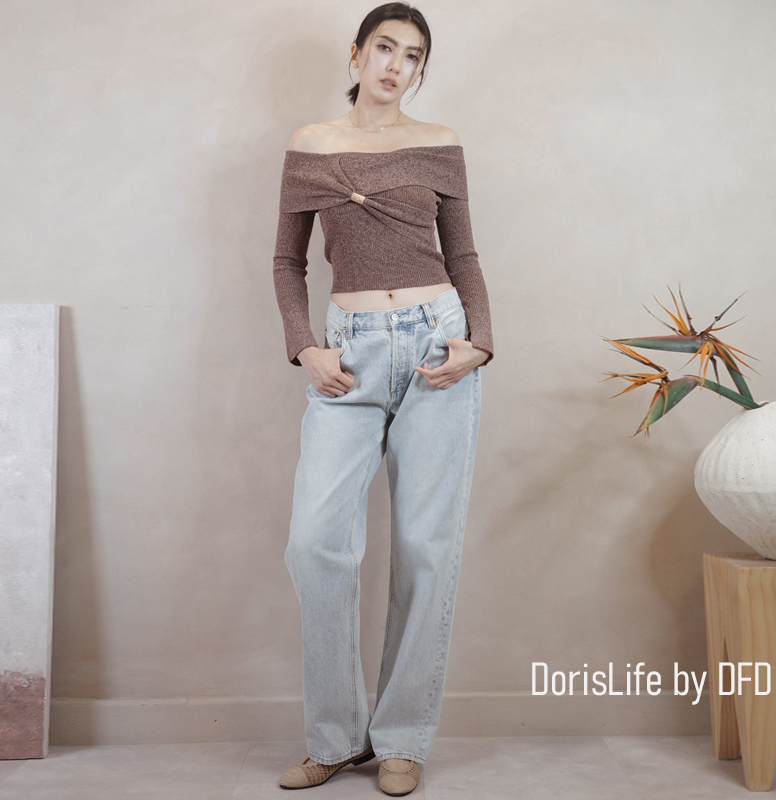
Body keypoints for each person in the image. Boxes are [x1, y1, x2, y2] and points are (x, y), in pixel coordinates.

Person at [273, 3, 493, 795]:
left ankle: (402, 738)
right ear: (358, 54)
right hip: (350, 355)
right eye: (386, 48)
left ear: (421, 69)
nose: (397, 66)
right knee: (315, 541)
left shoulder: (440, 143)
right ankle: (335, 738)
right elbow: (287, 264)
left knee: (426, 547)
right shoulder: (311, 146)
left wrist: (480, 340)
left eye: (413, 55)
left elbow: (463, 254)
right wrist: (306, 346)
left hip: (438, 345)